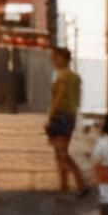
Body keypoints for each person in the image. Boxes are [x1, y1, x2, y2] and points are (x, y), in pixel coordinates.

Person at [46, 46, 89, 197]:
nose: (53, 59)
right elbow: (77, 100)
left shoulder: (61, 77)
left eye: (56, 57)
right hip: (70, 116)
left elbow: (57, 99)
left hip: (59, 116)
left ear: (64, 59)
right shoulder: (76, 77)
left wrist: (50, 116)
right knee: (60, 152)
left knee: (62, 153)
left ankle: (81, 184)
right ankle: (63, 184)